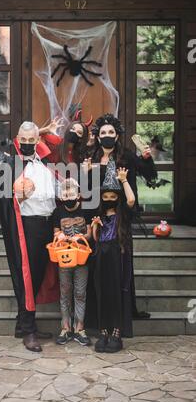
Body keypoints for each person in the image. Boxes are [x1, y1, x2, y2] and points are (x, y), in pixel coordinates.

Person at [85, 114, 157, 323]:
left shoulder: (127, 155)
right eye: (103, 133)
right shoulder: (92, 156)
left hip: (122, 217)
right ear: (98, 136)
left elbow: (150, 175)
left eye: (111, 132)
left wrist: (146, 157)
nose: (107, 135)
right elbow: (87, 187)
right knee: (98, 262)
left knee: (124, 263)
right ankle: (98, 313)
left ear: (117, 136)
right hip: (98, 215)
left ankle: (126, 310)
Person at [0, 121, 59, 353]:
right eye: (24, 140)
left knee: (39, 276)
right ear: (17, 140)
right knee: (27, 278)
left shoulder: (44, 163)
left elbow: (53, 194)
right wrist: (18, 198)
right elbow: (2, 199)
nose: (28, 144)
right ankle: (29, 330)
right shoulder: (9, 164)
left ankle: (22, 325)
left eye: (32, 141)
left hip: (46, 225)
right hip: (27, 228)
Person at [91, 160, 135, 352]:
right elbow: (95, 239)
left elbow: (131, 200)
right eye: (106, 196)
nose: (109, 198)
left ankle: (116, 332)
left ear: (117, 197)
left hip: (117, 257)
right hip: (101, 257)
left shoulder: (122, 213)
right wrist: (94, 227)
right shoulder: (100, 215)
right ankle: (103, 331)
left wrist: (124, 181)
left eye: (112, 196)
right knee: (103, 293)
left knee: (115, 293)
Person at [53, 178, 92, 346]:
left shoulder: (86, 210)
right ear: (61, 196)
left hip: (82, 258)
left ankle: (79, 328)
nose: (68, 196)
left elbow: (90, 234)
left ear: (79, 194)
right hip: (64, 258)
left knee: (80, 293)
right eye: (65, 193)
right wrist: (59, 235)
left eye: (71, 193)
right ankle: (65, 327)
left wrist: (81, 236)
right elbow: (55, 235)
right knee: (65, 293)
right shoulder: (58, 213)